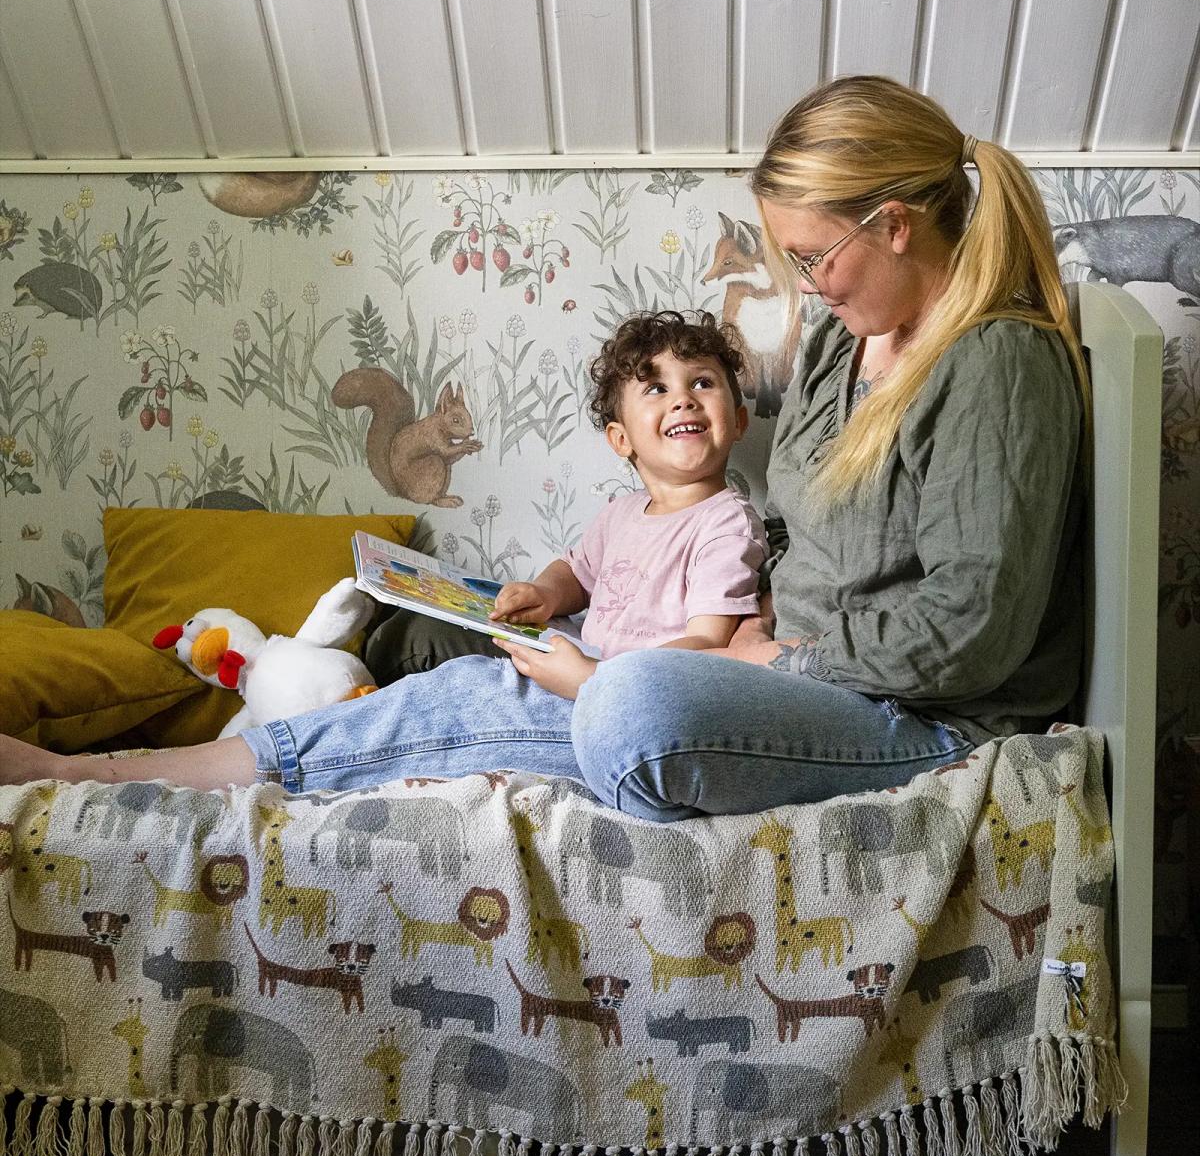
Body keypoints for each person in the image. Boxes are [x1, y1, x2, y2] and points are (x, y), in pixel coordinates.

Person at [0, 76, 1088, 821]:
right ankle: (96, 773)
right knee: (477, 686)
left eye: (817, 259)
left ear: (895, 225)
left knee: (628, 700)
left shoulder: (998, 365)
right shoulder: (852, 350)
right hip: (795, 679)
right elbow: (788, 540)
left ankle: (625, 703)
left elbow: (970, 635)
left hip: (919, 719)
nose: (809, 285)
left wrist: (777, 657)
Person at [0, 310, 766, 800]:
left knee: (406, 718)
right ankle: (123, 769)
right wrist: (544, 593)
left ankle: (91, 774)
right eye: (657, 390)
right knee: (435, 686)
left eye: (702, 384)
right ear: (621, 440)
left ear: (732, 417)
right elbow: (578, 575)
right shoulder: (622, 513)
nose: (684, 400)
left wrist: (590, 681)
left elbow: (704, 646)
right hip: (574, 670)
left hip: (610, 702)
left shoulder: (727, 522)